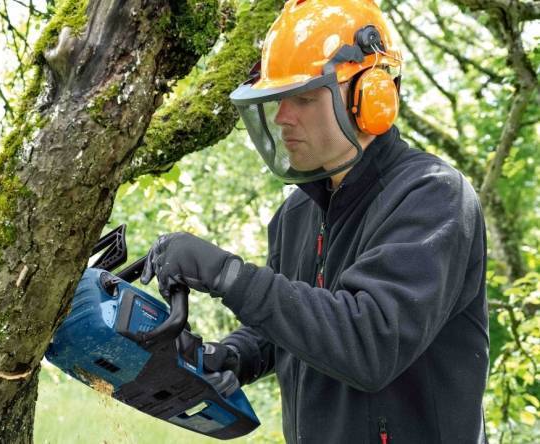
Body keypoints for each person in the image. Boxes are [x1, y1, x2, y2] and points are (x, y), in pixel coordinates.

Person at [140, 0, 490, 442]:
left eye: (303, 98)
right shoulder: (296, 213)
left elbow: (369, 342)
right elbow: (291, 322)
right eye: (279, 100)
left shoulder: (433, 196)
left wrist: (228, 275)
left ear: (370, 95)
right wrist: (233, 355)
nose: (284, 118)